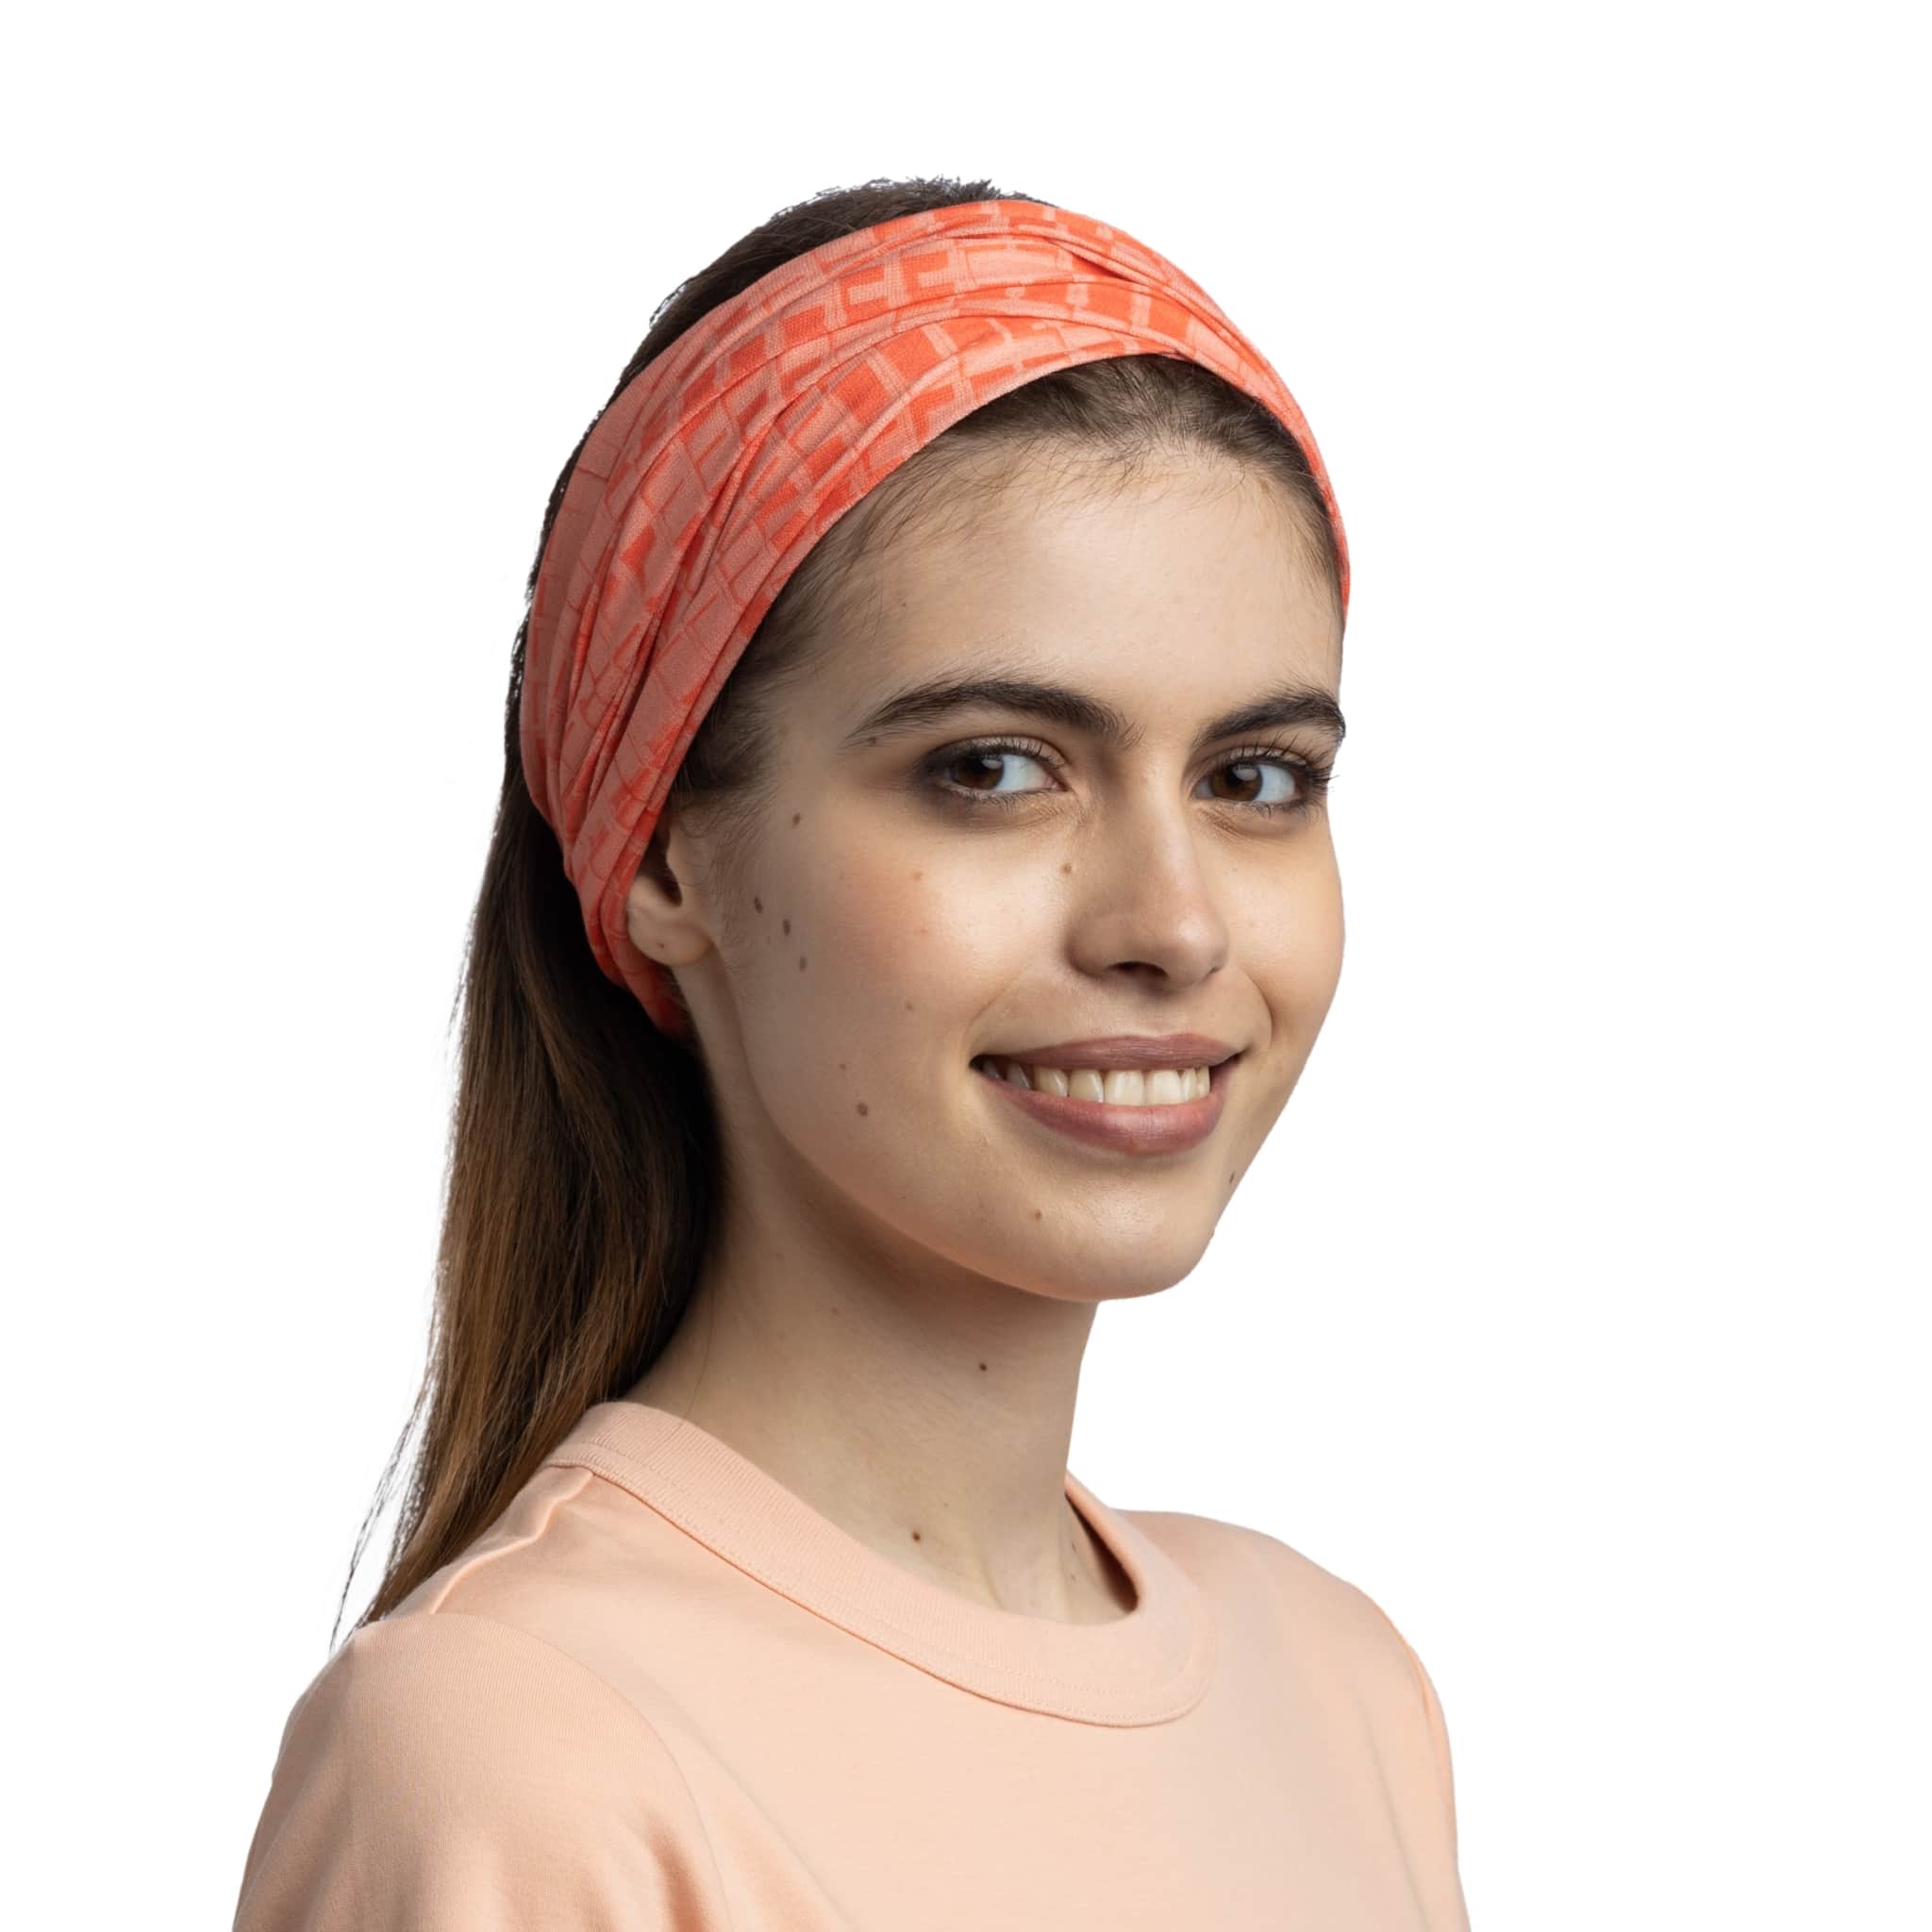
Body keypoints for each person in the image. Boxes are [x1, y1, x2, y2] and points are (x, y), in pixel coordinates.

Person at [231, 175, 1471, 1930]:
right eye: (993, 769)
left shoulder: (1340, 1696)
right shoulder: (523, 1756)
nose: (1175, 924)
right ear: (669, 851)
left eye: (1255, 778)